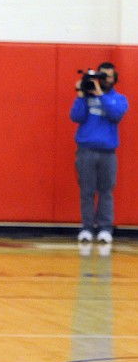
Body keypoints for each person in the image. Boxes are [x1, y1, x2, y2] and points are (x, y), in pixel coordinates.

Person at [71, 62, 129, 245]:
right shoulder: (86, 98)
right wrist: (81, 96)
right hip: (86, 151)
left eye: (108, 77)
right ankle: (86, 228)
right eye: (101, 76)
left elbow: (115, 115)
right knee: (86, 192)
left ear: (114, 79)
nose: (105, 80)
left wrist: (101, 95)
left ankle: (105, 229)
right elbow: (76, 117)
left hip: (108, 153)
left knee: (106, 192)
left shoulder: (120, 99)